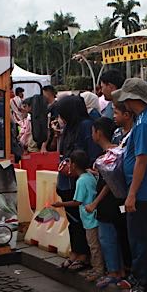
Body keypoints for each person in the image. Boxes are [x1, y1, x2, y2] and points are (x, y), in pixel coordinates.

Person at [113, 78, 147, 292]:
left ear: (132, 99)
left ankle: (144, 283)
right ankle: (142, 279)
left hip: (144, 191)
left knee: (141, 239)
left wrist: (132, 193)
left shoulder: (144, 122)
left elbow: (141, 160)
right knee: (142, 237)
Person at [54, 95, 101, 272]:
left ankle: (83, 254)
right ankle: (75, 251)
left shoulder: (85, 126)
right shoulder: (69, 127)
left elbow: (90, 153)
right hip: (65, 181)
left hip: (78, 181)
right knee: (73, 221)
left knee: (81, 221)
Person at [86, 117, 130, 289]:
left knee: (107, 238)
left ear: (98, 133)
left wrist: (95, 203)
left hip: (108, 204)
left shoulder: (108, 156)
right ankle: (120, 270)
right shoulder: (118, 151)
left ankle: (113, 272)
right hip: (118, 203)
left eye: (93, 131)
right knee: (116, 236)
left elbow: (108, 184)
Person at [53, 149, 104, 281]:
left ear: (74, 165)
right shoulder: (90, 176)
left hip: (89, 218)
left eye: (69, 162)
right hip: (93, 216)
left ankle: (98, 269)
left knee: (94, 245)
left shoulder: (81, 181)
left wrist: (60, 204)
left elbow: (77, 202)